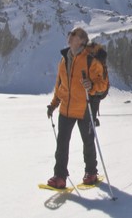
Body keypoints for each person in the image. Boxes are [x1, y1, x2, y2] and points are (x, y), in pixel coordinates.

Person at [45, 27, 109, 189]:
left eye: (73, 35)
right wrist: (54, 104)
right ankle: (59, 176)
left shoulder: (90, 60)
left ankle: (91, 172)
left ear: (81, 40)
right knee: (62, 143)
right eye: (70, 34)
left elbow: (103, 85)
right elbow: (59, 85)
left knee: (87, 142)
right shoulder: (64, 59)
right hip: (66, 108)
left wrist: (92, 85)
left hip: (85, 107)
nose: (69, 36)